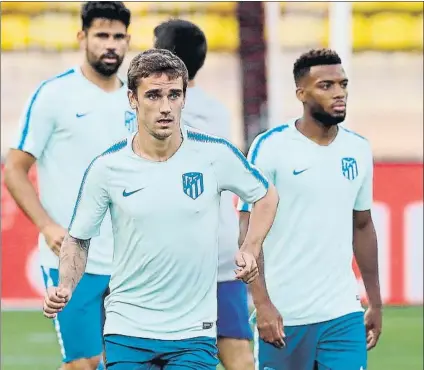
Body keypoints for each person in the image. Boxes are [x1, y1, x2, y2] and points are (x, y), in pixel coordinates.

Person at [42, 48, 279, 370]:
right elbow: (78, 238)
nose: (165, 107)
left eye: (174, 95)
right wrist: (67, 285)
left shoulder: (214, 154)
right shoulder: (107, 167)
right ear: (132, 99)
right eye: (153, 95)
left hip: (194, 334)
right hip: (127, 331)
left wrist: (250, 248)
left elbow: (266, 195)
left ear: (184, 97)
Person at [4, 2, 132, 369]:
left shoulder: (137, 102)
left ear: (128, 41)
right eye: (102, 35)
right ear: (82, 37)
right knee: (84, 362)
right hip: (73, 261)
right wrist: (47, 226)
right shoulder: (53, 95)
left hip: (131, 260)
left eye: (118, 37)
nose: (111, 44)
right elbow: (15, 168)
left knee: (128, 361)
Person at [238, 48, 383, 370]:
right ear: (301, 94)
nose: (339, 93)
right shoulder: (270, 146)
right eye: (326, 86)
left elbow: (362, 225)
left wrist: (374, 301)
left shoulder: (358, 149)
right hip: (285, 316)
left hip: (342, 314)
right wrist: (261, 305)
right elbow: (247, 232)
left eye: (343, 84)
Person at [153, 19, 255, 370]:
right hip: (222, 248)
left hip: (173, 252)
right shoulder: (217, 112)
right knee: (237, 349)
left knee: (146, 351)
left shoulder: (148, 112)